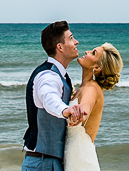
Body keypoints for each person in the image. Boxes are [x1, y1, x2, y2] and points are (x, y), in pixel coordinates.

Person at [23, 21, 86, 171]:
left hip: (46, 162)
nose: (76, 41)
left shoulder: (60, 75)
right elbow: (49, 99)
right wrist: (65, 110)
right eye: (71, 38)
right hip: (43, 163)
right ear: (60, 47)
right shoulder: (48, 76)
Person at [62, 43, 123, 171]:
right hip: (76, 156)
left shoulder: (91, 89)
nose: (86, 52)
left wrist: (79, 115)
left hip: (80, 161)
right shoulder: (85, 87)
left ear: (97, 67)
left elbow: (85, 109)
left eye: (93, 53)